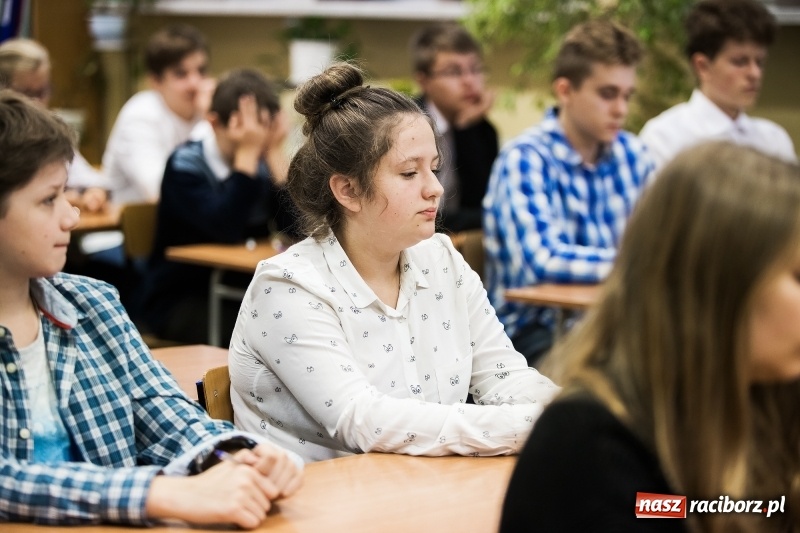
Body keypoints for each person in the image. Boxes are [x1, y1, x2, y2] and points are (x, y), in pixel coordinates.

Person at [228, 63, 559, 463]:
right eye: (408, 173)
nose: (434, 188)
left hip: (422, 491)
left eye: (433, 168)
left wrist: (570, 414)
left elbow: (503, 376)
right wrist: (537, 427)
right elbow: (366, 422)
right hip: (316, 512)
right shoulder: (289, 288)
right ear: (348, 190)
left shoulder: (442, 259)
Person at [0, 90, 302, 528]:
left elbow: (165, 415)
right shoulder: (186, 166)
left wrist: (237, 456)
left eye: (67, 194)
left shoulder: (92, 305)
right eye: (49, 200)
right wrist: (158, 493)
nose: (71, 217)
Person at [500, 142, 800, 532]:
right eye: (798, 276)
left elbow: (762, 508)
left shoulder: (772, 395)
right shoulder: (589, 448)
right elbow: (678, 508)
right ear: (716, 286)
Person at [482, 20, 654, 366]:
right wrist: (640, 265)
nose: (621, 109)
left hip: (615, 319)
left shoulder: (634, 155)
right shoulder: (526, 159)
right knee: (635, 372)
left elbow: (664, 241)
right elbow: (543, 261)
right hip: (534, 333)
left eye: (627, 95)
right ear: (565, 91)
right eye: (608, 94)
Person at [138, 68, 293, 344]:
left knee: (295, 324)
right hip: (181, 297)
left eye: (262, 129)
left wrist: (273, 153)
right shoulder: (185, 165)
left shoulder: (261, 162)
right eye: (246, 131)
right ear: (213, 123)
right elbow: (225, 228)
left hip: (240, 290)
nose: (253, 140)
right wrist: (247, 153)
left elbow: (296, 229)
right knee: (265, 337)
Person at [640, 0, 796, 170]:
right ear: (702, 66)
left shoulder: (773, 140)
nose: (755, 74)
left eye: (760, 62)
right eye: (740, 62)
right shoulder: (665, 138)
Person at [102, 23, 214, 204]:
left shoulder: (204, 111)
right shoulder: (140, 116)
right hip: (124, 229)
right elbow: (163, 192)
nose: (195, 83)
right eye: (181, 74)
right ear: (155, 81)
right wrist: (210, 121)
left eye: (201, 71)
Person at [0, 38, 109, 213]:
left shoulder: (50, 131)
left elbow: (90, 180)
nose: (37, 103)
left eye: (43, 92)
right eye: (26, 93)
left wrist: (93, 192)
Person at [409, 22, 498, 232]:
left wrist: (465, 129)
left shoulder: (483, 131)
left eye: (475, 70)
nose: (469, 81)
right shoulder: (405, 125)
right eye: (454, 72)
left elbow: (484, 206)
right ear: (424, 81)